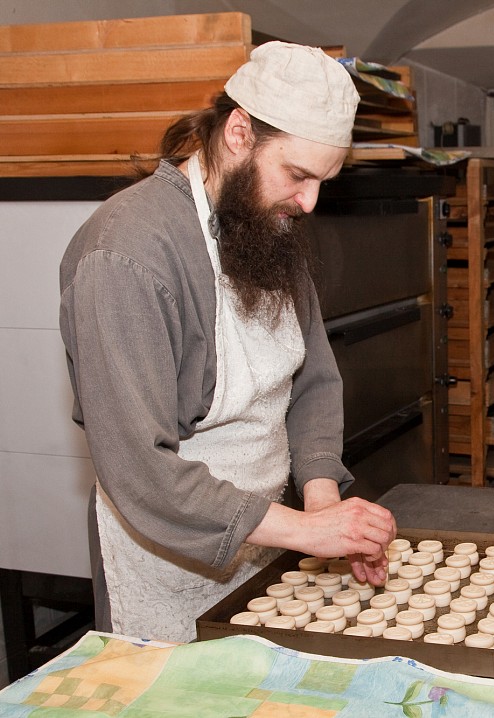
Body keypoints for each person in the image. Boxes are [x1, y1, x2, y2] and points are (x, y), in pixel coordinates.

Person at [59, 42, 397, 643]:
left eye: (324, 182)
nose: (309, 202)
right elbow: (139, 467)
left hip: (264, 541)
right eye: (298, 175)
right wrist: (302, 531)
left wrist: (320, 498)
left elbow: (312, 378)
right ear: (239, 133)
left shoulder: (262, 226)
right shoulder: (125, 253)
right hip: (163, 556)